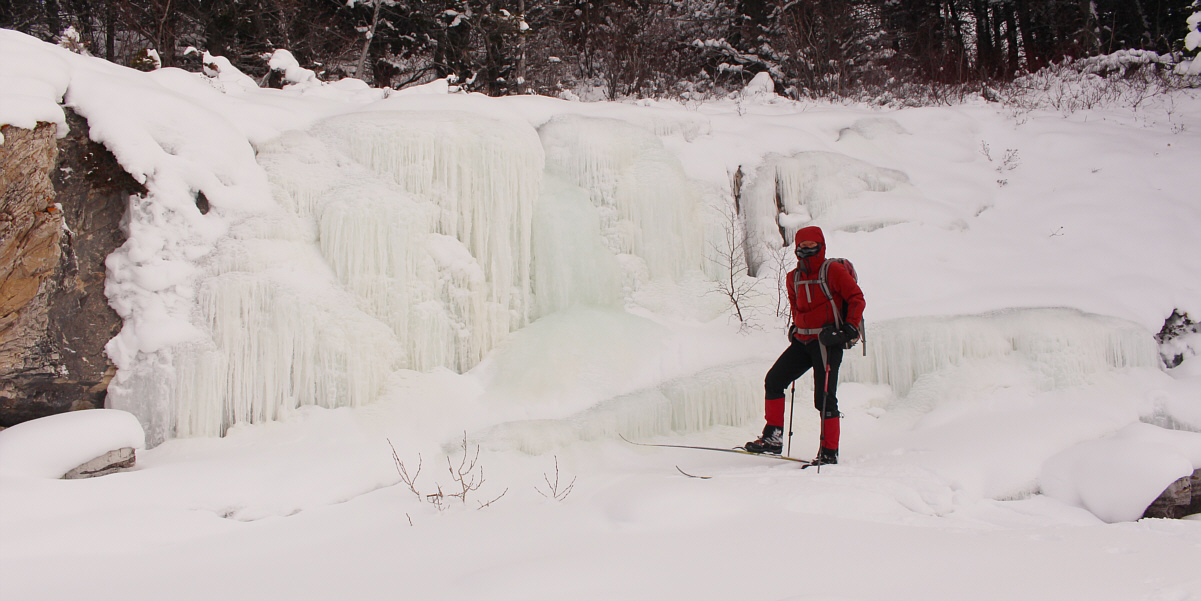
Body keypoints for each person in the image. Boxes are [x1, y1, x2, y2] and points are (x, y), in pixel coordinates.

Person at [744, 226, 865, 465]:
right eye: (803, 246)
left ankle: (829, 453)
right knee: (775, 381)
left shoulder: (833, 271)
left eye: (812, 245)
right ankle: (773, 438)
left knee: (825, 398)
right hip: (804, 341)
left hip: (828, 343)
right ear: (797, 249)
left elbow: (856, 298)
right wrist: (796, 327)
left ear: (821, 245)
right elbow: (796, 306)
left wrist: (849, 329)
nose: (807, 250)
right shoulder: (794, 277)